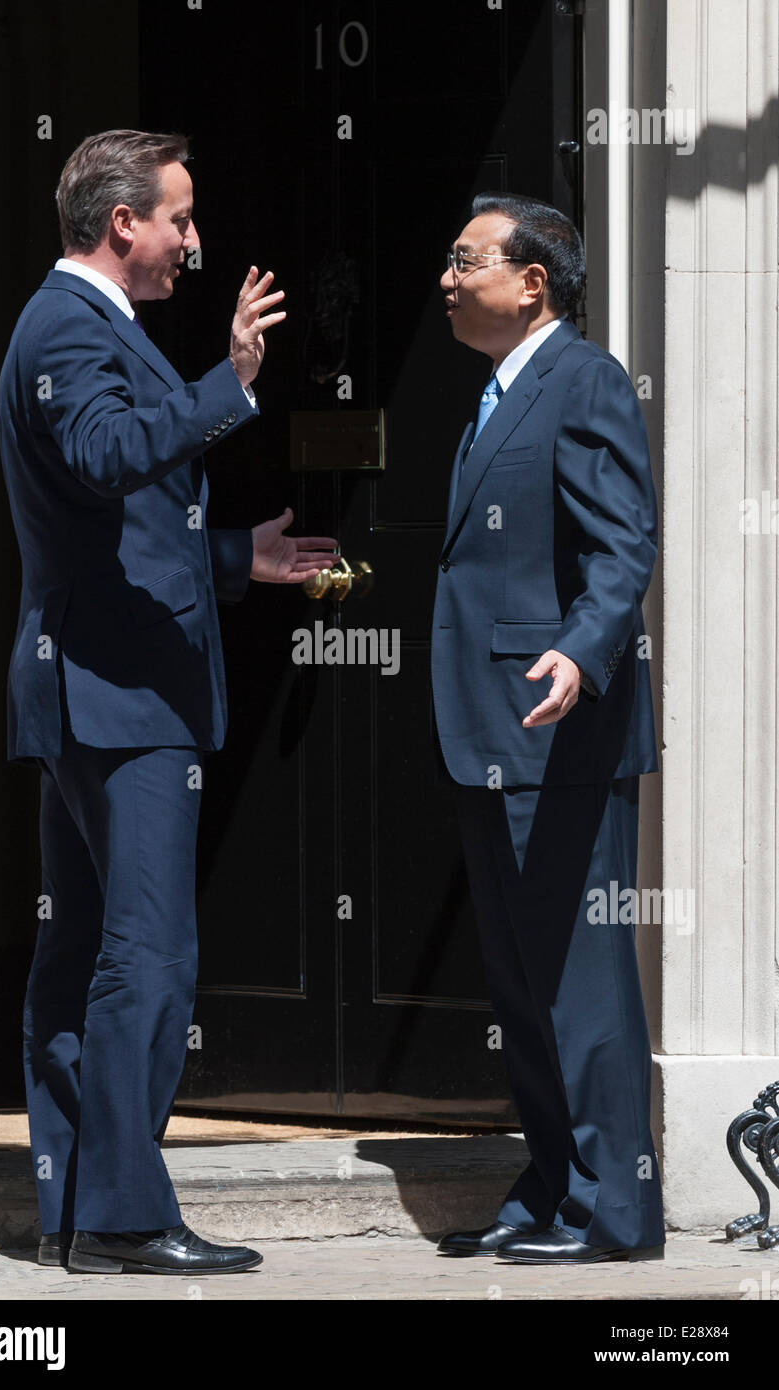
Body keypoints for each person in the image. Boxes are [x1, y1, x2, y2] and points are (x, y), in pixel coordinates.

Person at [0, 129, 338, 1275]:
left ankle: (77, 1205)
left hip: (105, 684)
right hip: (119, 695)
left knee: (84, 950)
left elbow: (127, 530)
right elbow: (103, 457)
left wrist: (239, 557)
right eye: (180, 219)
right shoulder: (64, 328)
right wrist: (229, 385)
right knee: (146, 957)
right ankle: (125, 1217)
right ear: (120, 223)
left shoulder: (95, 326)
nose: (194, 242)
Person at [431, 193, 665, 1264]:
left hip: (558, 728)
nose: (446, 276)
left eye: (465, 259)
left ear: (532, 281)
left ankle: (614, 1211)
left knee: (580, 979)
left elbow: (623, 544)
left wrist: (582, 645)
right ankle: (550, 1185)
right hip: (491, 727)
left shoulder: (585, 380)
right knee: (523, 986)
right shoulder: (493, 391)